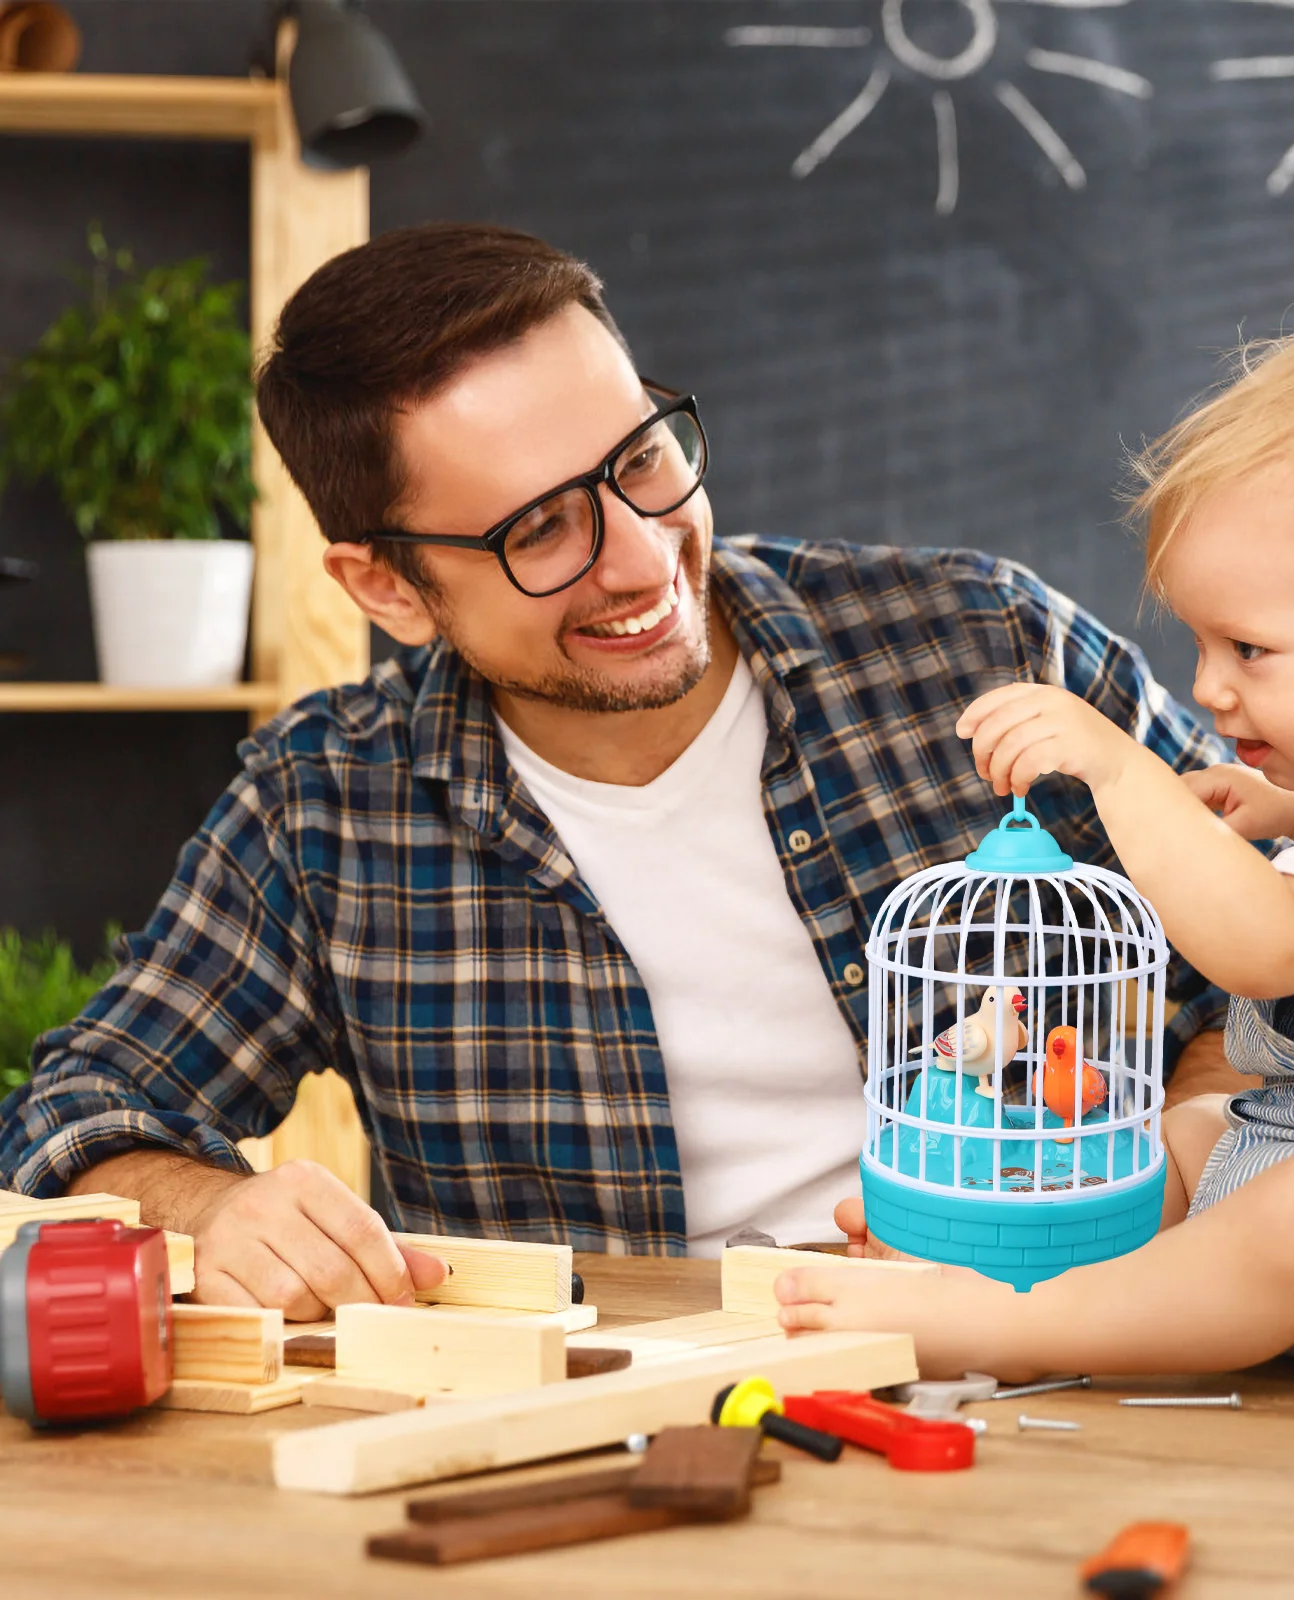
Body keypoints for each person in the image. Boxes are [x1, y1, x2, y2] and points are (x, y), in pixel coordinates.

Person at [0, 224, 1229, 1320]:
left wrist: (1182, 1167)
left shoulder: (983, 644)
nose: (643, 557)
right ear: (387, 587)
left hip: (1073, 1363)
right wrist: (210, 1209)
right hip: (601, 1446)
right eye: (537, 529)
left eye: (640, 459)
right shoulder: (323, 805)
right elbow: (76, 1111)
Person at [775, 286, 1294, 1379]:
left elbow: (1265, 945)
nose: (1207, 687)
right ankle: (1005, 1257)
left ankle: (1016, 1326)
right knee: (1180, 1142)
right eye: (1201, 644)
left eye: (1250, 650)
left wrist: (1125, 771)